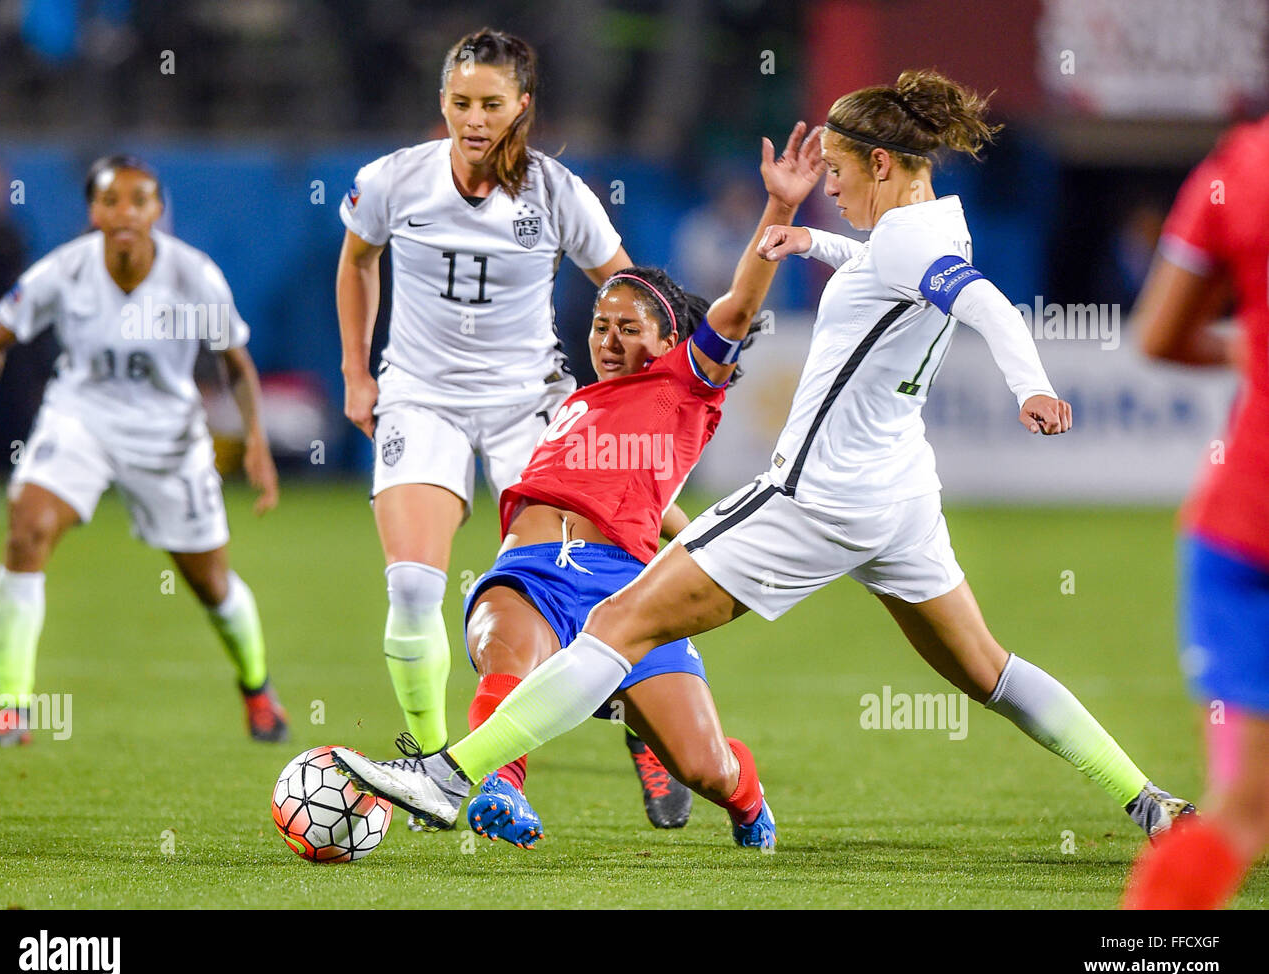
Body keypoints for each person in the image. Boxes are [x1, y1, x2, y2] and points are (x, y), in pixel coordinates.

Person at [331, 70, 1195, 847]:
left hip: (813, 500)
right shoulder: (936, 226)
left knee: (613, 628)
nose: (838, 195)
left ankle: (448, 777)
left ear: (884, 166)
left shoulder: (909, 245)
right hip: (900, 501)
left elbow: (988, 307)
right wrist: (812, 243)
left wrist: (1031, 386)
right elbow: (894, 269)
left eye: (844, 179)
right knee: (989, 670)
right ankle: (1148, 799)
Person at [374, 120, 819, 849]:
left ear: (673, 337)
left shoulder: (686, 383)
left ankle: (746, 799)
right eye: (601, 324)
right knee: (501, 649)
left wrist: (778, 210)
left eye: (629, 327)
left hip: (626, 587)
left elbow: (736, 306)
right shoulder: (576, 402)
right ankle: (501, 789)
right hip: (532, 568)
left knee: (704, 767)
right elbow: (648, 499)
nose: (608, 340)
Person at [334, 28, 692, 829]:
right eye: (460, 102)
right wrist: (358, 373)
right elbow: (357, 261)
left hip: (530, 403)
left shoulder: (558, 193)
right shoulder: (392, 181)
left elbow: (629, 289)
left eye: (491, 104)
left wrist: (641, 386)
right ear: (442, 101)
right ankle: (431, 768)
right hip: (420, 398)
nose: (474, 118)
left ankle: (639, 714)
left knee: (605, 576)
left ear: (522, 105)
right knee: (415, 587)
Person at [0, 154, 286, 745]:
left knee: (209, 582)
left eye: (138, 201)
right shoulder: (63, 271)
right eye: (110, 200)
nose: (124, 213)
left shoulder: (194, 275)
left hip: (169, 438)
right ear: (93, 210)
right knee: (26, 528)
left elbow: (235, 362)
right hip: (80, 422)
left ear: (157, 211)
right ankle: (13, 707)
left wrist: (257, 445)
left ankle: (257, 688)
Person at [1123, 114, 1269, 909]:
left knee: (1243, 815)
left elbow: (1159, 335)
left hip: (1241, 528)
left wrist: (1243, 345)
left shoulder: (1241, 167)